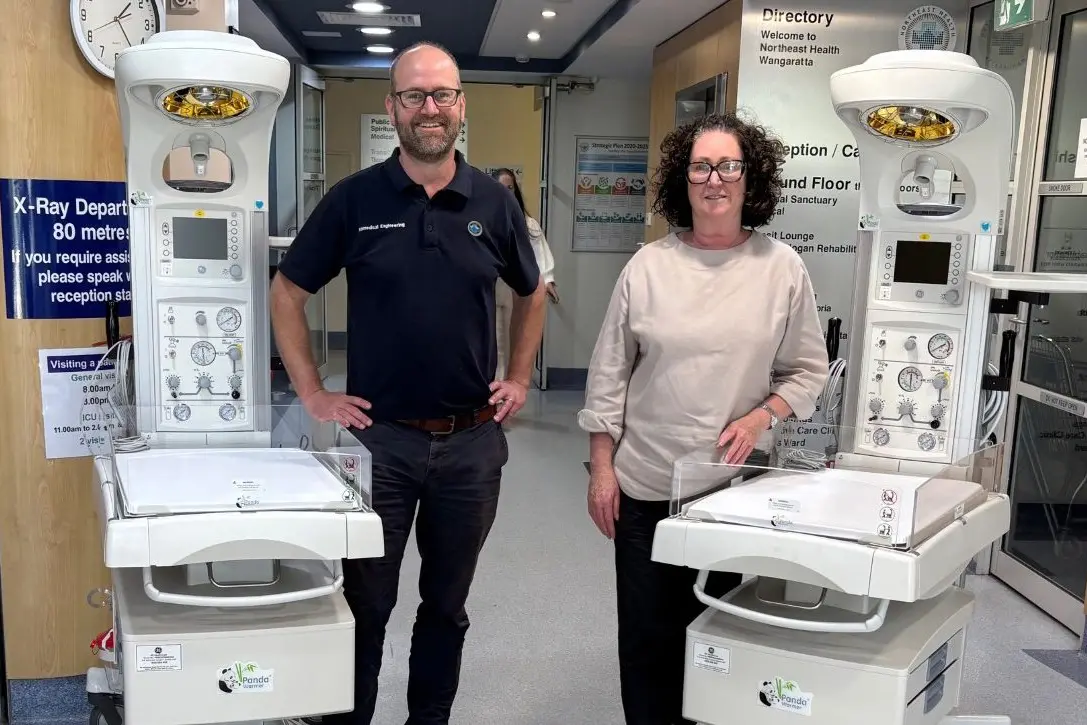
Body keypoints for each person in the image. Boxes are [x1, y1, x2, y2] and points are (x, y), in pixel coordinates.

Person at [269, 41, 548, 725]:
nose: (430, 108)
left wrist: (517, 376)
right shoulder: (355, 200)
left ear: (460, 105)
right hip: (378, 446)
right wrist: (313, 393)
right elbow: (286, 291)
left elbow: (533, 291)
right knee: (364, 606)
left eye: (442, 95)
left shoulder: (492, 201)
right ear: (392, 107)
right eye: (414, 95)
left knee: (446, 607)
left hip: (470, 447)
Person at [577, 112, 829, 725]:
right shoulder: (649, 266)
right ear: (682, 180)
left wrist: (761, 418)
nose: (714, 179)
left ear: (751, 177)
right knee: (645, 637)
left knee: (718, 636)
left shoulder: (781, 268)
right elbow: (609, 375)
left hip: (731, 492)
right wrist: (602, 470)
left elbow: (808, 372)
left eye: (728, 165)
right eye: (700, 166)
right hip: (645, 485)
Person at [490, 167, 558, 381]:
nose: (506, 192)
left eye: (510, 188)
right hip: (487, 289)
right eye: (501, 188)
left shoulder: (527, 223)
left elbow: (540, 252)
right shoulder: (482, 218)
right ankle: (491, 393)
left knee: (511, 342)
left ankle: (504, 391)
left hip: (516, 292)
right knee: (493, 343)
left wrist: (547, 279)